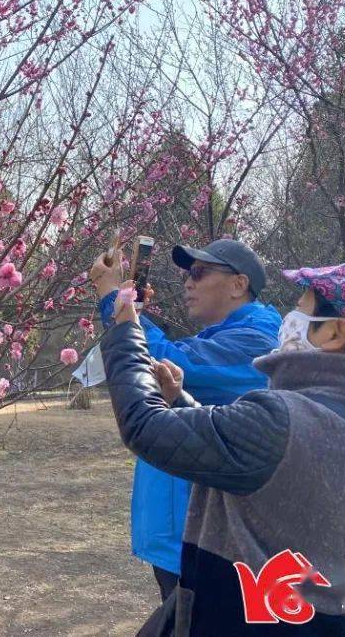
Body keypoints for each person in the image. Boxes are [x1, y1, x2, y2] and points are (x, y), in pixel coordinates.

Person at [100, 262, 345, 635]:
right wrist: (181, 402)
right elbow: (268, 464)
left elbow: (143, 426)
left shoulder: (284, 417)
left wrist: (123, 325)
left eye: (303, 308)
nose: (289, 318)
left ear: (336, 333)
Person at [89, 239, 281, 601]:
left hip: (208, 540)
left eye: (199, 272)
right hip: (183, 530)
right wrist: (129, 310)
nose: (188, 282)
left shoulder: (257, 342)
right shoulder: (221, 337)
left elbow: (156, 357)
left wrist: (114, 299)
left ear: (239, 285)